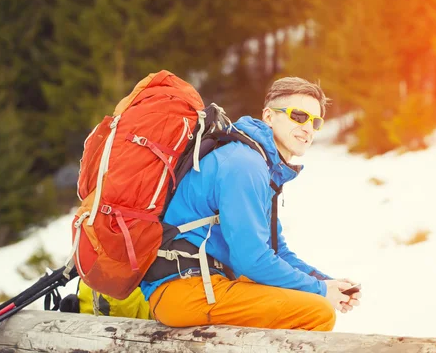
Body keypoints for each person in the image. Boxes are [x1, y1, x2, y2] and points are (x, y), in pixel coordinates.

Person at [140, 77, 361, 331]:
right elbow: (252, 260)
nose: (308, 128)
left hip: (203, 284)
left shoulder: (259, 164)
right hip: (185, 289)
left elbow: (276, 251)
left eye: (316, 121)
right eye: (298, 116)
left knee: (310, 299)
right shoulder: (245, 164)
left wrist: (326, 282)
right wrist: (321, 291)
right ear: (268, 116)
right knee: (317, 312)